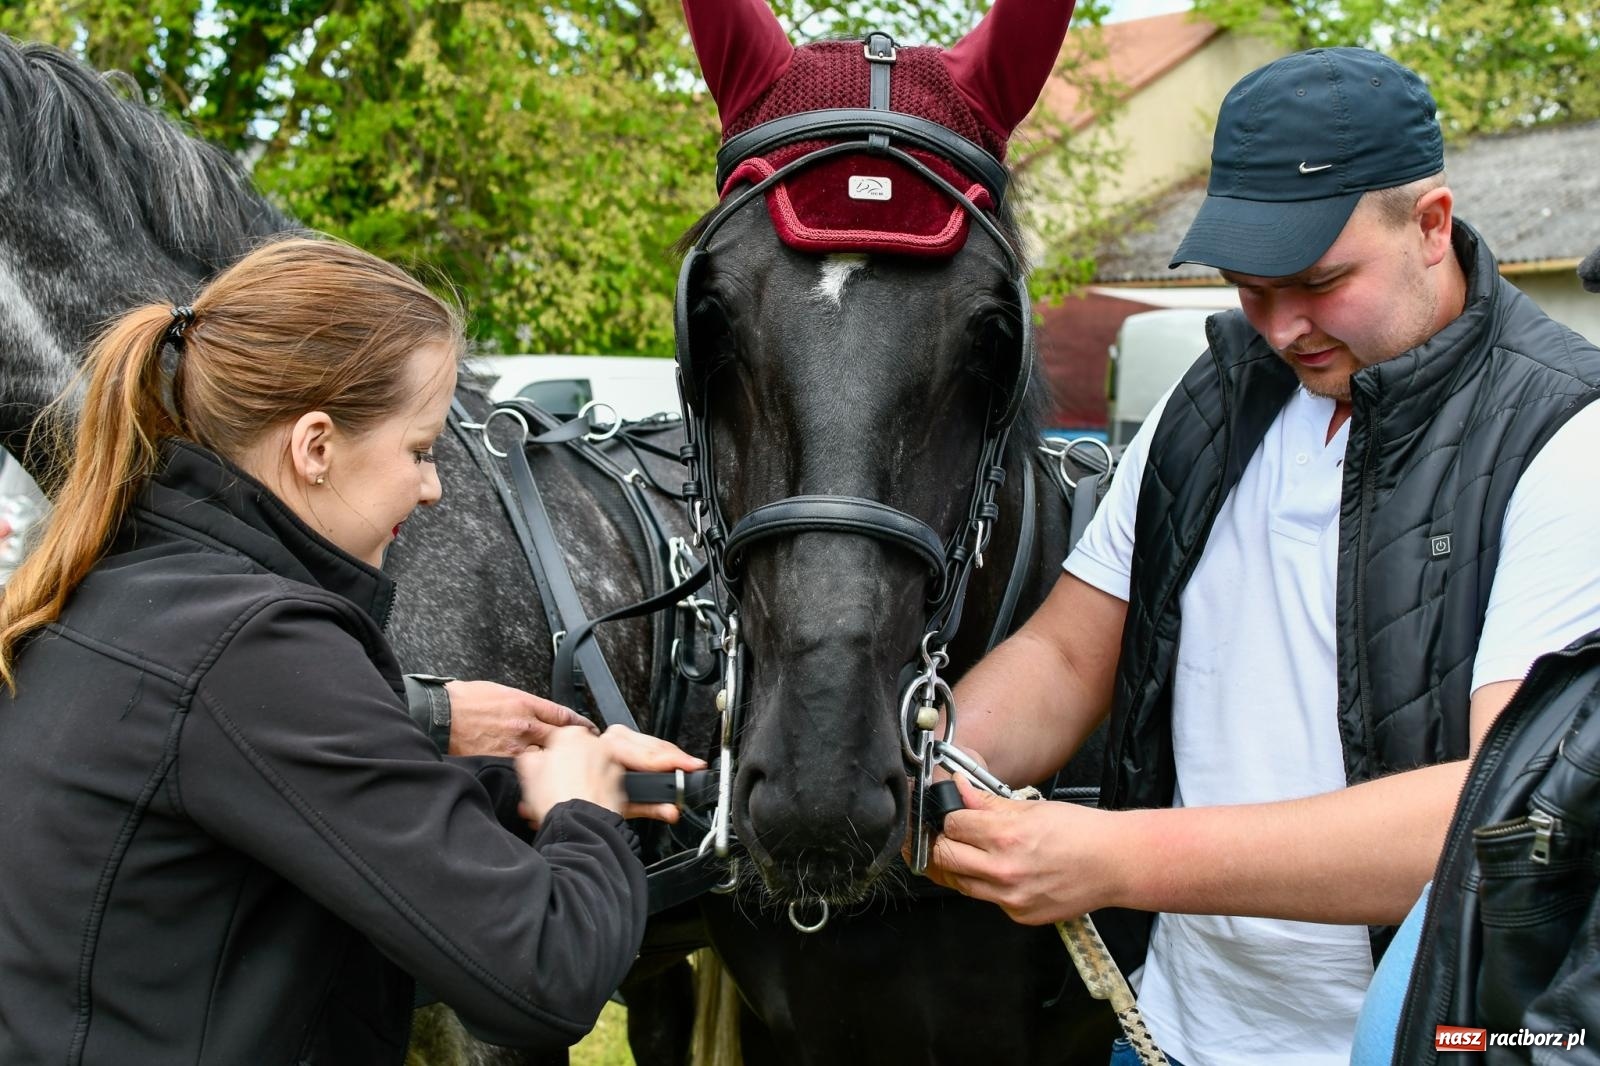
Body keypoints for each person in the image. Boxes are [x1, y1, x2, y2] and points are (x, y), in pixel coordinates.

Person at [922, 47, 1600, 1066]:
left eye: (1318, 281)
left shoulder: (1565, 436)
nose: (1281, 326)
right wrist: (918, 773)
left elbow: (1497, 823)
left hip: (1417, 1041)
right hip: (1169, 1034)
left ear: (1428, 224)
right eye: (1248, 287)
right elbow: (1065, 656)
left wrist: (1112, 857)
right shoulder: (1211, 404)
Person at [0, 236, 703, 1063]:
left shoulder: (127, 587)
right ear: (316, 447)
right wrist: (577, 815)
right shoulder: (255, 644)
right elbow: (545, 978)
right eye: (419, 449)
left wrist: (530, 784)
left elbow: (320, 807)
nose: (433, 485)